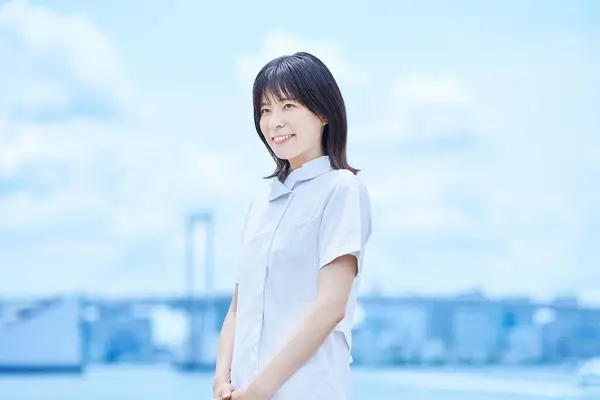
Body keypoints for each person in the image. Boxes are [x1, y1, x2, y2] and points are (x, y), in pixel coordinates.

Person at [212, 51, 372, 400]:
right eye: (265, 110)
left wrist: (259, 390)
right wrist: (221, 377)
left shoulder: (341, 189)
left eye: (288, 106)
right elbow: (238, 308)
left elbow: (331, 306)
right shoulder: (260, 206)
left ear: (324, 111)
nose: (274, 122)